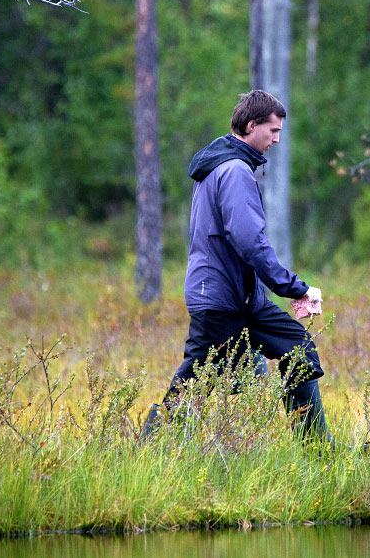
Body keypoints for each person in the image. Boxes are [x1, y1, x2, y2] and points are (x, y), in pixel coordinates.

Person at [140, 90, 330, 441]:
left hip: (243, 301)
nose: (276, 139)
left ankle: (318, 449)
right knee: (193, 384)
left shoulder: (225, 165)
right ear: (250, 124)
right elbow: (249, 241)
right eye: (272, 131)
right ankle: (149, 448)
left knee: (297, 349)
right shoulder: (234, 170)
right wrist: (295, 288)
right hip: (220, 301)